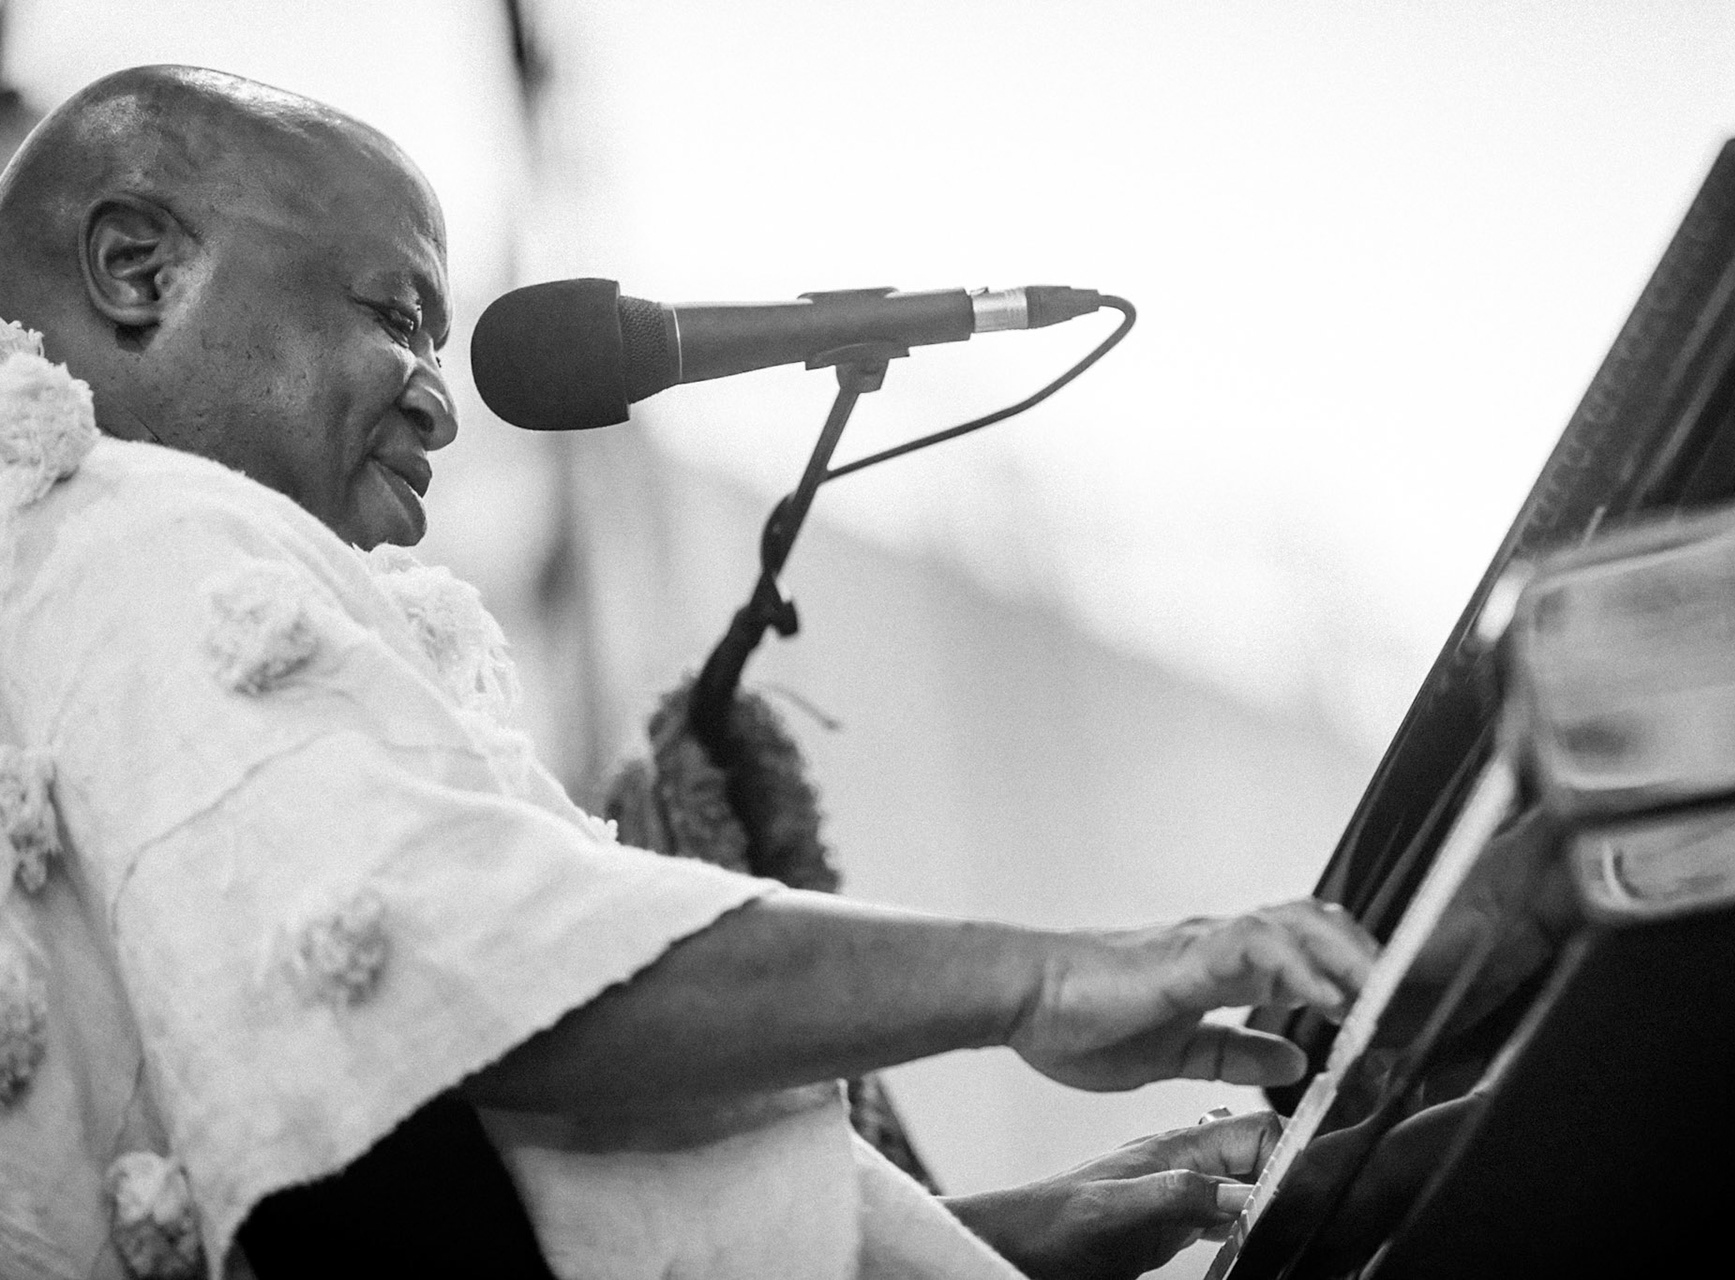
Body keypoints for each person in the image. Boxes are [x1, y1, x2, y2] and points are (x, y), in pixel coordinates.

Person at [0, 66, 1376, 1280]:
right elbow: (479, 963)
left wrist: (1011, 1240)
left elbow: (483, 1203)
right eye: (392, 312)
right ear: (138, 268)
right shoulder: (133, 528)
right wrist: (1044, 979)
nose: (439, 395)